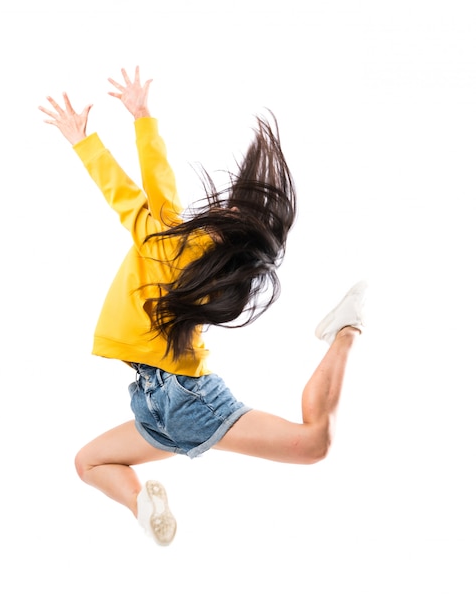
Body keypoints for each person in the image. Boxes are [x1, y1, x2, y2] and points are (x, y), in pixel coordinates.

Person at [39, 67, 367, 547]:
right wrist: (140, 119)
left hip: (174, 400)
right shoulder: (203, 261)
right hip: (166, 402)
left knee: (91, 463)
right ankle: (143, 506)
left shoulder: (168, 238)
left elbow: (137, 190)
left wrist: (98, 134)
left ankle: (347, 327)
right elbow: (155, 186)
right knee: (88, 461)